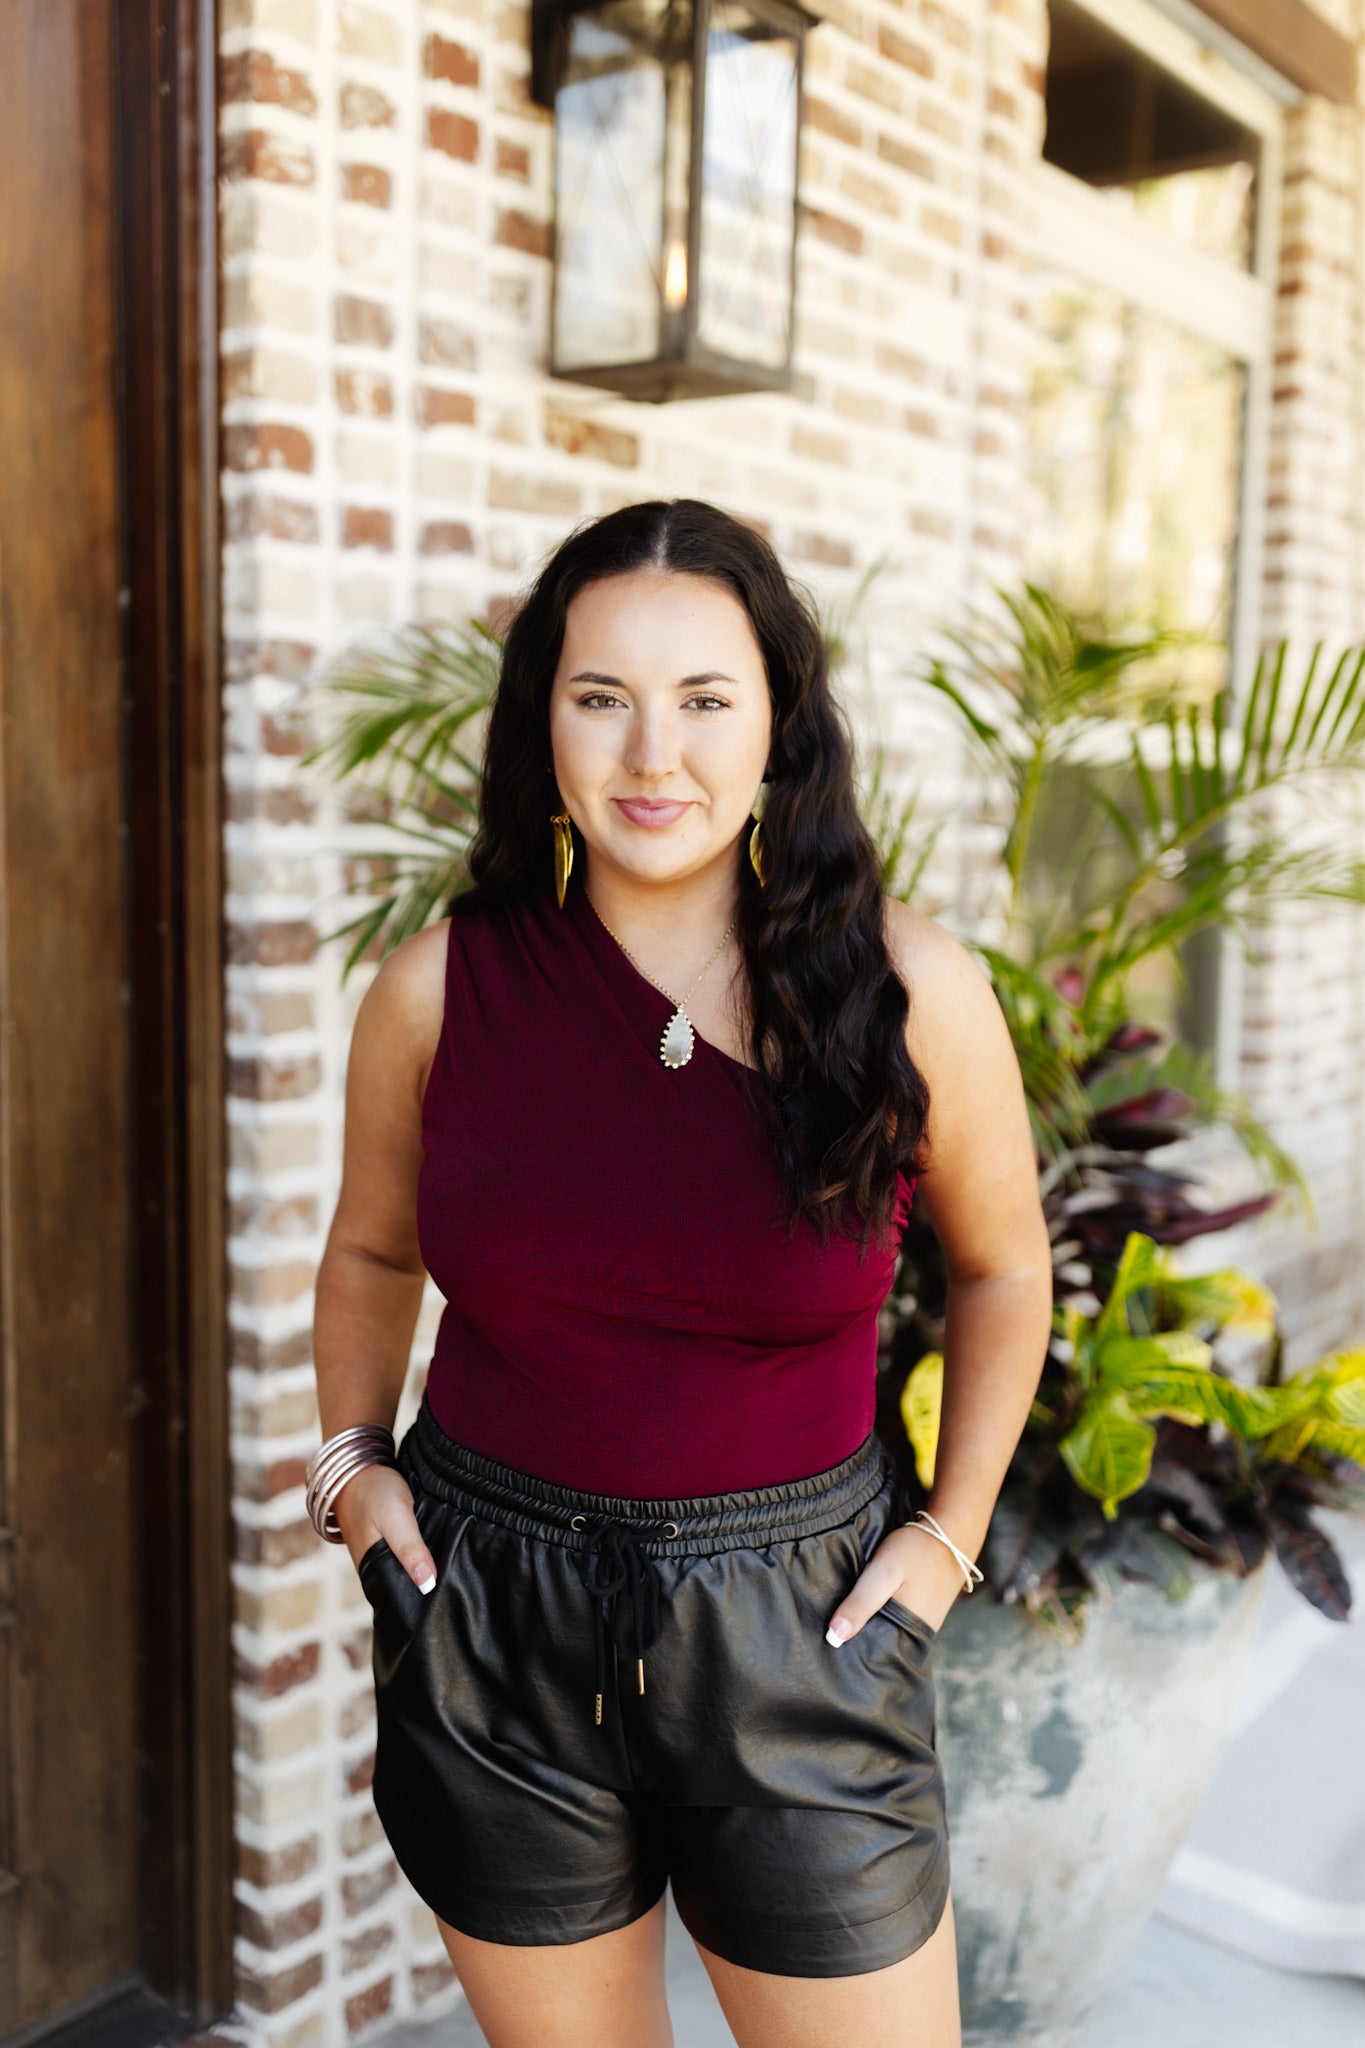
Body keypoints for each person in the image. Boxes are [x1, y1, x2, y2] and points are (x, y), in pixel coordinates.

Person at [308, 499, 1053, 2048]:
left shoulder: (911, 992)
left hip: (804, 1624)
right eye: (602, 698)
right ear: (546, 723)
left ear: (779, 723)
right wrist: (352, 1470)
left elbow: (1001, 1273)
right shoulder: (439, 992)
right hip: (488, 1619)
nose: (654, 754)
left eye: (705, 699)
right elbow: (373, 1246)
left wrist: (947, 1538)